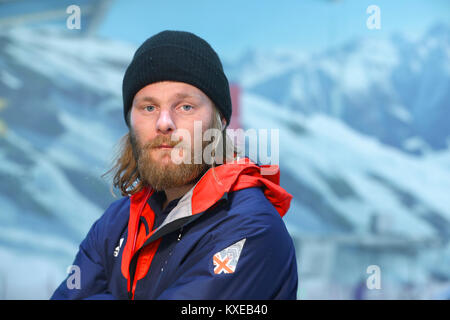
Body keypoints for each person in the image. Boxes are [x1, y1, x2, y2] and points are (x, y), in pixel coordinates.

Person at [51, 30, 298, 300]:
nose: (164, 122)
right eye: (148, 108)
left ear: (220, 122)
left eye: (185, 107)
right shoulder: (117, 221)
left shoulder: (250, 227)